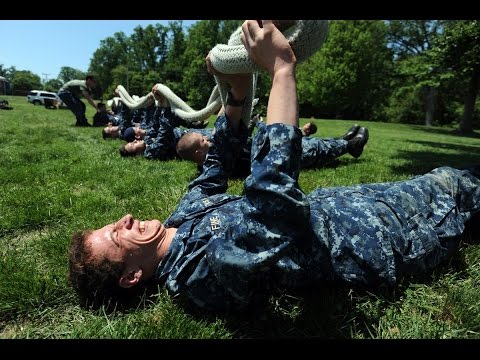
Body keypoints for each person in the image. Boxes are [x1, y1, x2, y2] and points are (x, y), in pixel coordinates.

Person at [68, 20, 480, 313]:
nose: (124, 219)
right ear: (131, 278)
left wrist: (237, 89)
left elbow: (215, 165)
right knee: (457, 185)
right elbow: (272, 209)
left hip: (356, 203)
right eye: (115, 235)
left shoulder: (183, 217)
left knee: (455, 183)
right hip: (377, 237)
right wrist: (281, 71)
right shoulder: (198, 277)